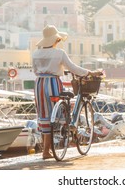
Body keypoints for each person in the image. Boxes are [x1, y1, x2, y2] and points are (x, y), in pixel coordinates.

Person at [32, 25, 101, 159]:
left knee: (45, 116)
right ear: (55, 40)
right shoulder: (59, 53)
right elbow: (73, 68)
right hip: (53, 83)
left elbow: (35, 70)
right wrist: (89, 72)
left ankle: (46, 151)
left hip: (39, 83)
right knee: (57, 113)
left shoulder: (36, 53)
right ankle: (53, 146)